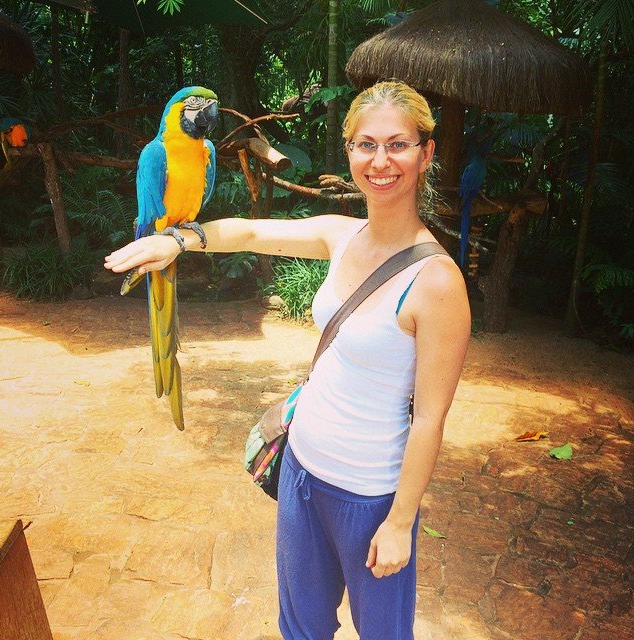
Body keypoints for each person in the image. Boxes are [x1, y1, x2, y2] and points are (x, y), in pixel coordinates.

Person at [105, 80, 470, 640]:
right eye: (366, 144)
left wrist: (400, 522)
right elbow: (250, 231)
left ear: (426, 153)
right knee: (299, 628)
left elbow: (429, 419)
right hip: (300, 470)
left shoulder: (438, 282)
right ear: (349, 152)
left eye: (397, 144)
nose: (380, 161)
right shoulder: (341, 235)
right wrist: (178, 242)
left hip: (369, 495)